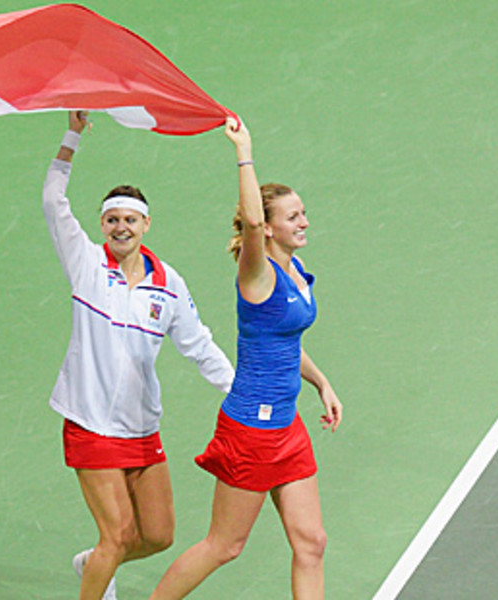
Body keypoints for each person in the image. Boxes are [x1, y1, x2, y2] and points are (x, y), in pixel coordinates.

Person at [148, 118, 343, 600]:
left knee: (311, 542)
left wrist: (321, 382)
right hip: (251, 432)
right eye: (293, 216)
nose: (304, 223)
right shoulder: (255, 274)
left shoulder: (295, 270)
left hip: (286, 427)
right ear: (269, 227)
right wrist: (244, 151)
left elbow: (284, 341)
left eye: (304, 213)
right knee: (224, 546)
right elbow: (251, 221)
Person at [43, 111, 235, 600]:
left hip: (140, 426)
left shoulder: (168, 283)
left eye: (130, 219)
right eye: (112, 219)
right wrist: (73, 135)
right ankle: (100, 569)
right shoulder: (86, 264)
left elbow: (199, 344)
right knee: (117, 536)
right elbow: (52, 200)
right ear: (102, 225)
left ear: (146, 224)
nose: (120, 227)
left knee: (157, 535)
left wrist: (239, 390)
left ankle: (93, 567)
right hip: (89, 423)